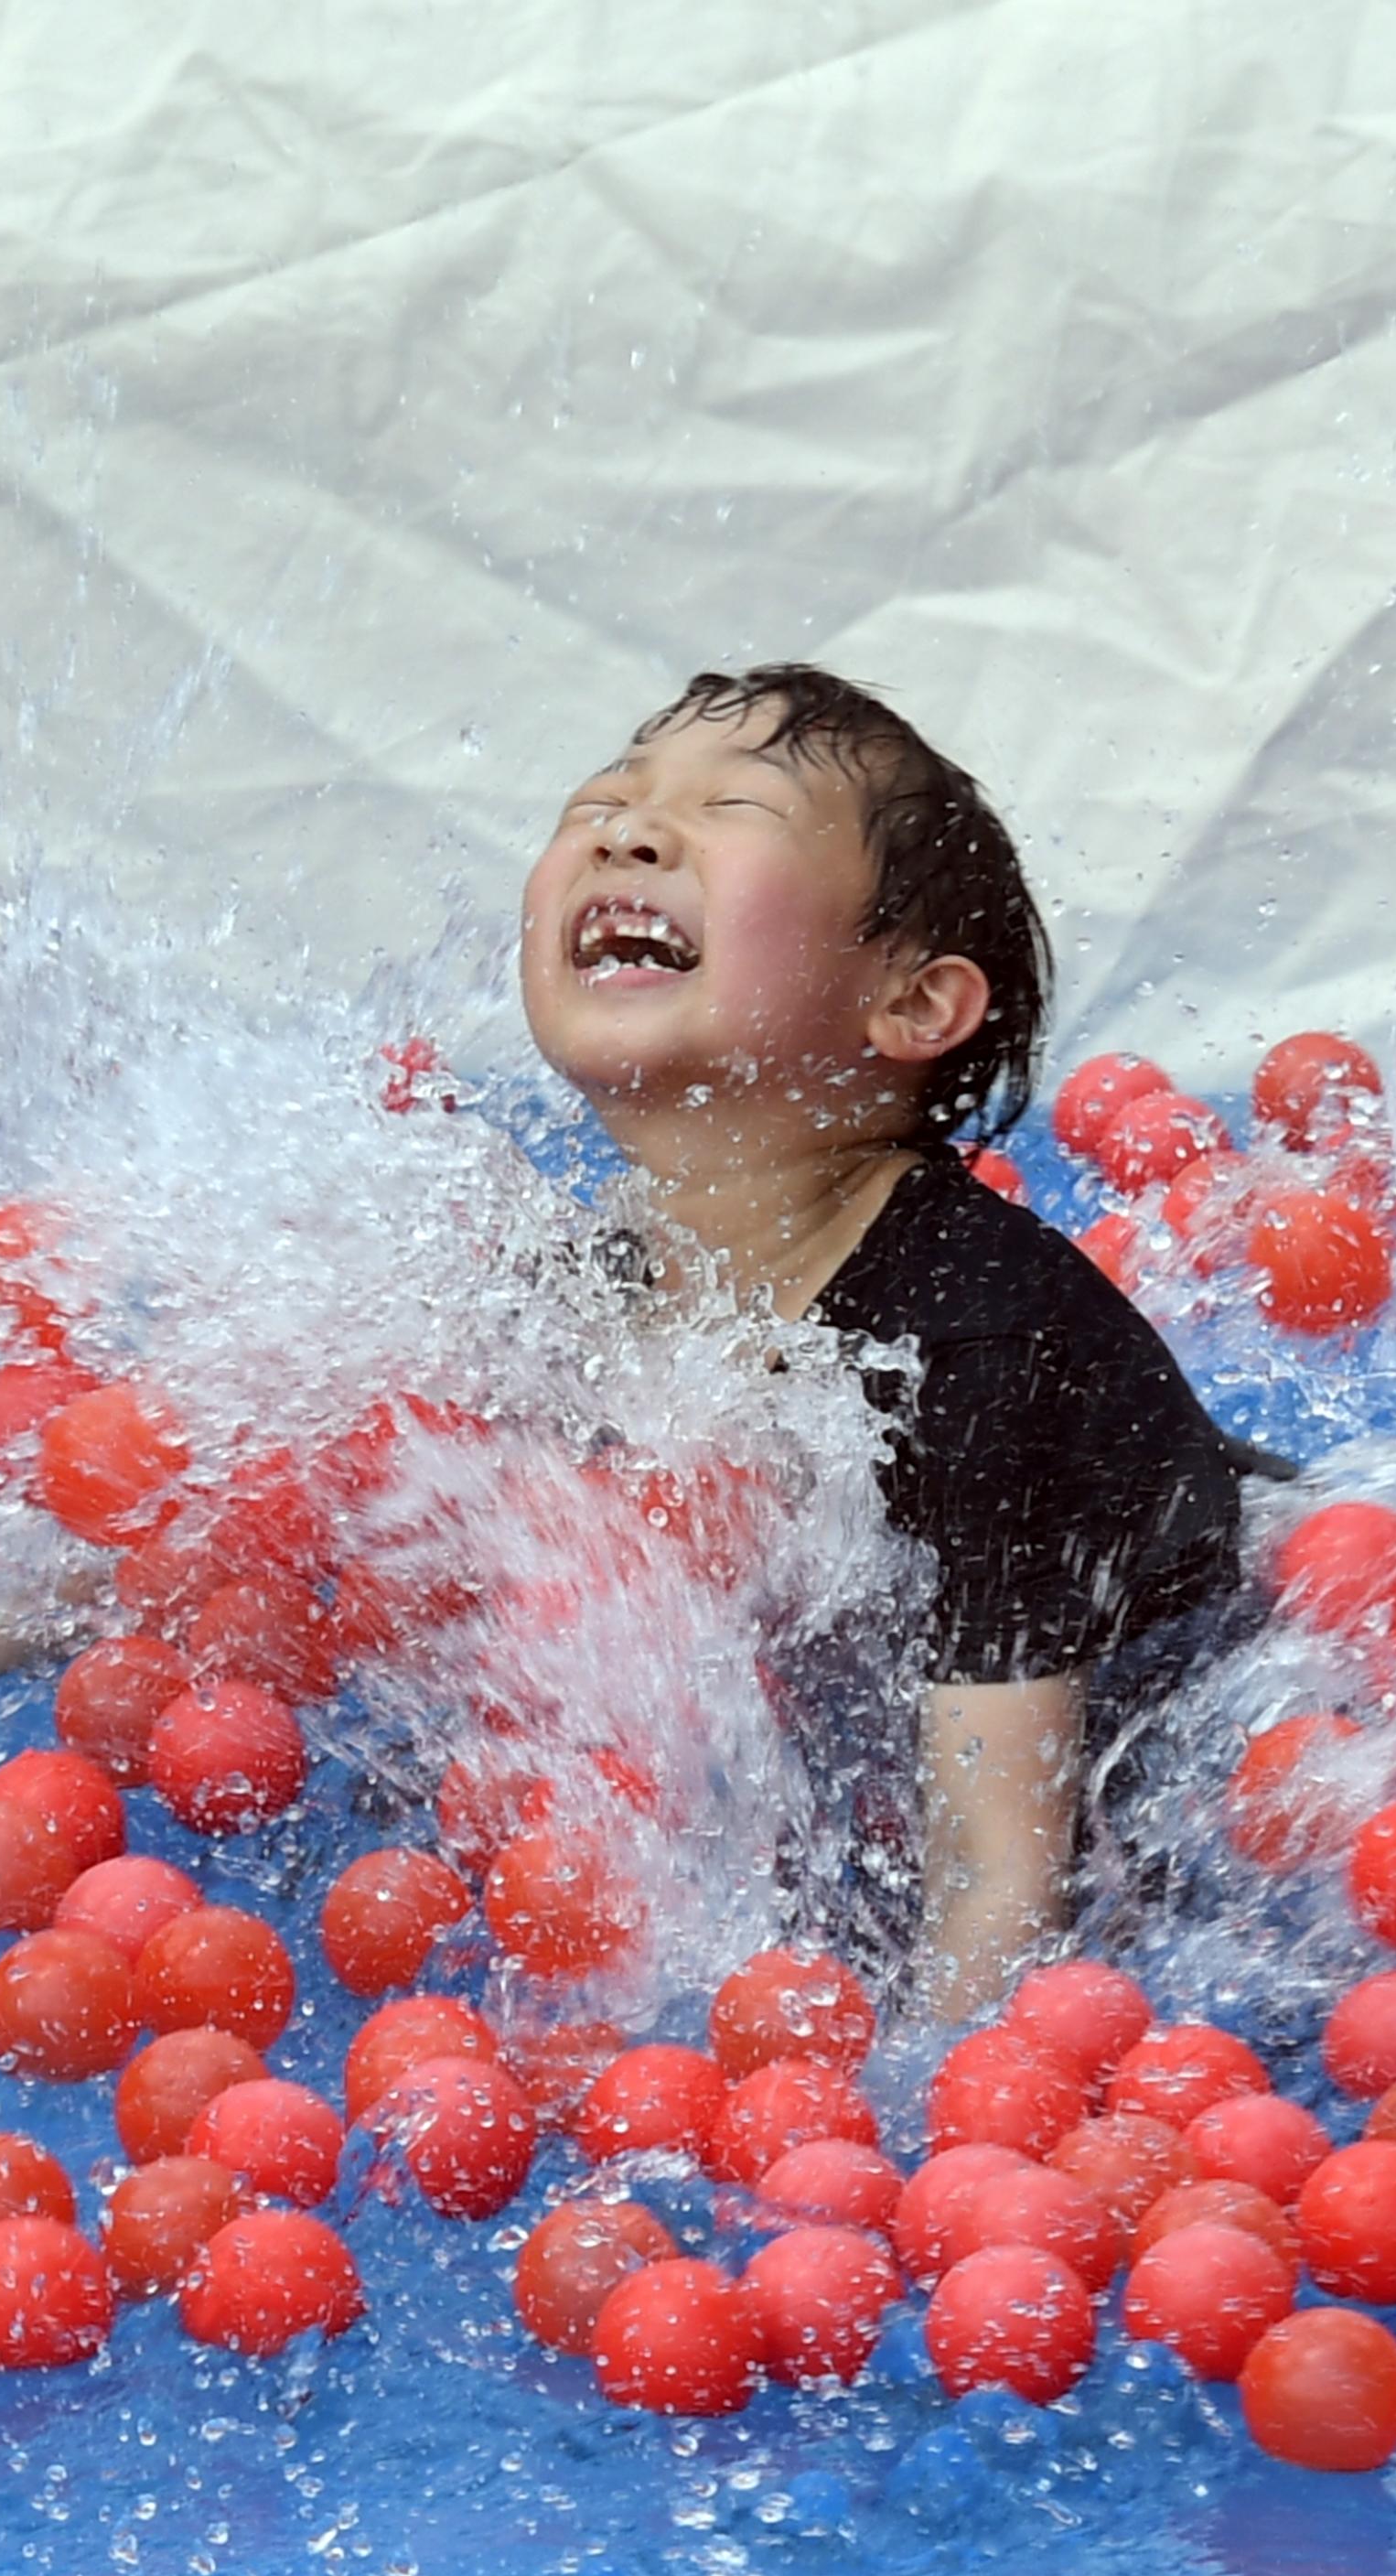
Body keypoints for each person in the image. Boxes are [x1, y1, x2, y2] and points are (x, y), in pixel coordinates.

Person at [521, 663, 1251, 2017]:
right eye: (603, 799)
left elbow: (1000, 1873)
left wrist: (915, 2145)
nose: (627, 830)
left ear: (913, 1008)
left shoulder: (979, 1358)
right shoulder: (562, 1286)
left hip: (1219, 1702)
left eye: (731, 808)